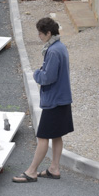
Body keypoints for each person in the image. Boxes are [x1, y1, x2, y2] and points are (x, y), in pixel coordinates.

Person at [13, 17, 73, 183]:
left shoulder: (53, 51)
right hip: (63, 98)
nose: (39, 36)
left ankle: (31, 171)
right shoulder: (60, 46)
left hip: (53, 100)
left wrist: (36, 73)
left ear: (48, 33)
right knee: (57, 135)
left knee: (43, 137)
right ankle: (54, 168)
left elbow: (47, 77)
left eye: (41, 33)